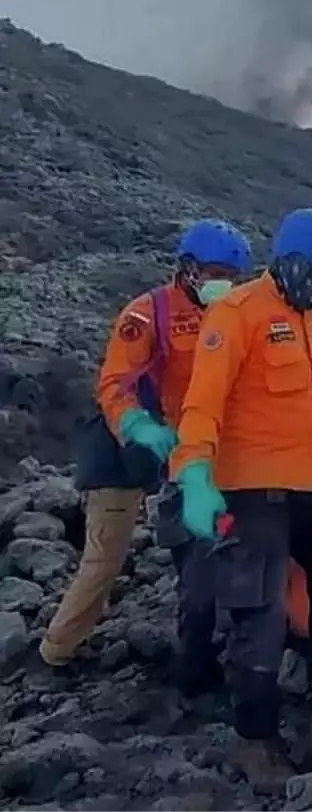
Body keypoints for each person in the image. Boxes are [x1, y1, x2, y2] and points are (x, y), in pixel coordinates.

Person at [169, 207, 312, 791]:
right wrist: (193, 472)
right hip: (250, 487)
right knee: (258, 611)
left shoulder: (310, 317)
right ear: (294, 265)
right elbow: (204, 402)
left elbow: (309, 401)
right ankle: (255, 739)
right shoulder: (236, 314)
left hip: (305, 480)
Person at [39, 219, 252, 691]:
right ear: (189, 268)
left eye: (233, 277)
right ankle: (56, 651)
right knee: (105, 559)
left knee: (203, 545)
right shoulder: (146, 313)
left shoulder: (227, 314)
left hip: (186, 449)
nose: (226, 284)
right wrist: (137, 425)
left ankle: (199, 644)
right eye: (217, 272)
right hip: (125, 450)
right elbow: (115, 384)